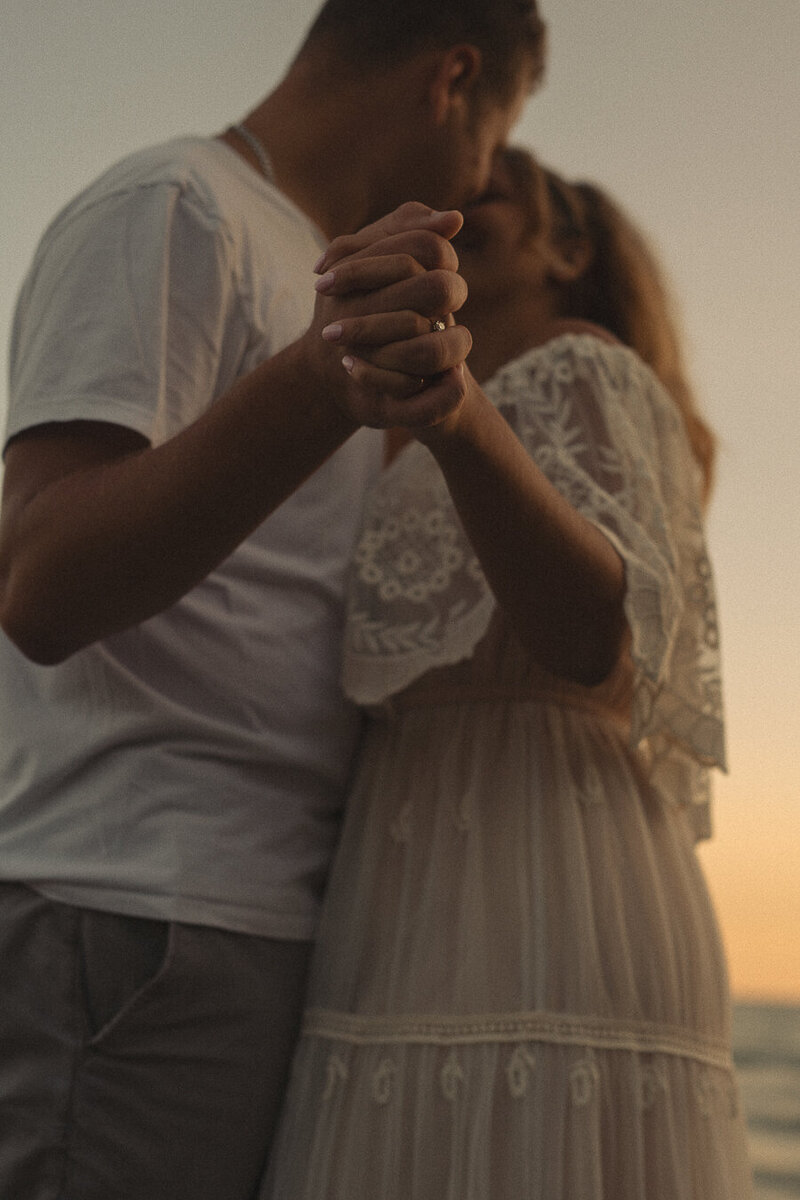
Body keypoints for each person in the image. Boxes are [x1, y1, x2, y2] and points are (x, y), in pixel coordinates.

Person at [0, 4, 547, 1198]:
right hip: (130, 917)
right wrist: (322, 373)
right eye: (499, 131)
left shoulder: (307, 258)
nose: (488, 173)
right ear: (454, 79)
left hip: (228, 927)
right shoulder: (173, 206)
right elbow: (38, 579)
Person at [260, 149, 754, 1199]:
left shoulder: (583, 364)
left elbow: (594, 642)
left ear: (567, 251)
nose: (459, 195)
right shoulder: (383, 423)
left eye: (498, 188)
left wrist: (458, 419)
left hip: (545, 868)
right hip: (408, 871)